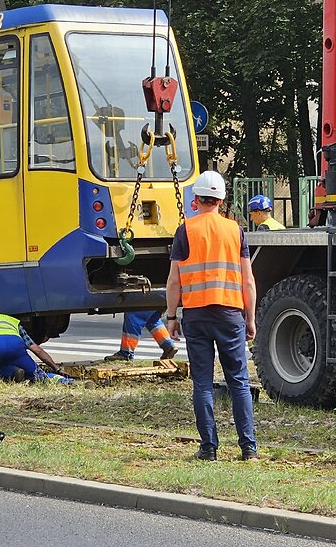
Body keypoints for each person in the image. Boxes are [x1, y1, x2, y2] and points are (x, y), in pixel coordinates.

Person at [165, 170, 258, 461]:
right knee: (239, 381)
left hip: (196, 315)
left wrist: (171, 316)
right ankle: (248, 448)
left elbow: (173, 281)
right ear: (221, 199)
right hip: (230, 313)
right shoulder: (236, 230)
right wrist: (250, 317)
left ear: (196, 199)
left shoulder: (186, 230)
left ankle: (208, 448)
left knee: (203, 383)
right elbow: (248, 280)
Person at [0, 305, 73, 384]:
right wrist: (57, 369)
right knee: (38, 375)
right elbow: (37, 350)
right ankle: (65, 381)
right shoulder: (11, 320)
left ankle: (10, 373)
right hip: (15, 346)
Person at [106, 309, 179, 361]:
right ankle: (168, 345)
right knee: (152, 319)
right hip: (160, 295)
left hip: (146, 295)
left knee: (133, 316)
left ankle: (126, 353)